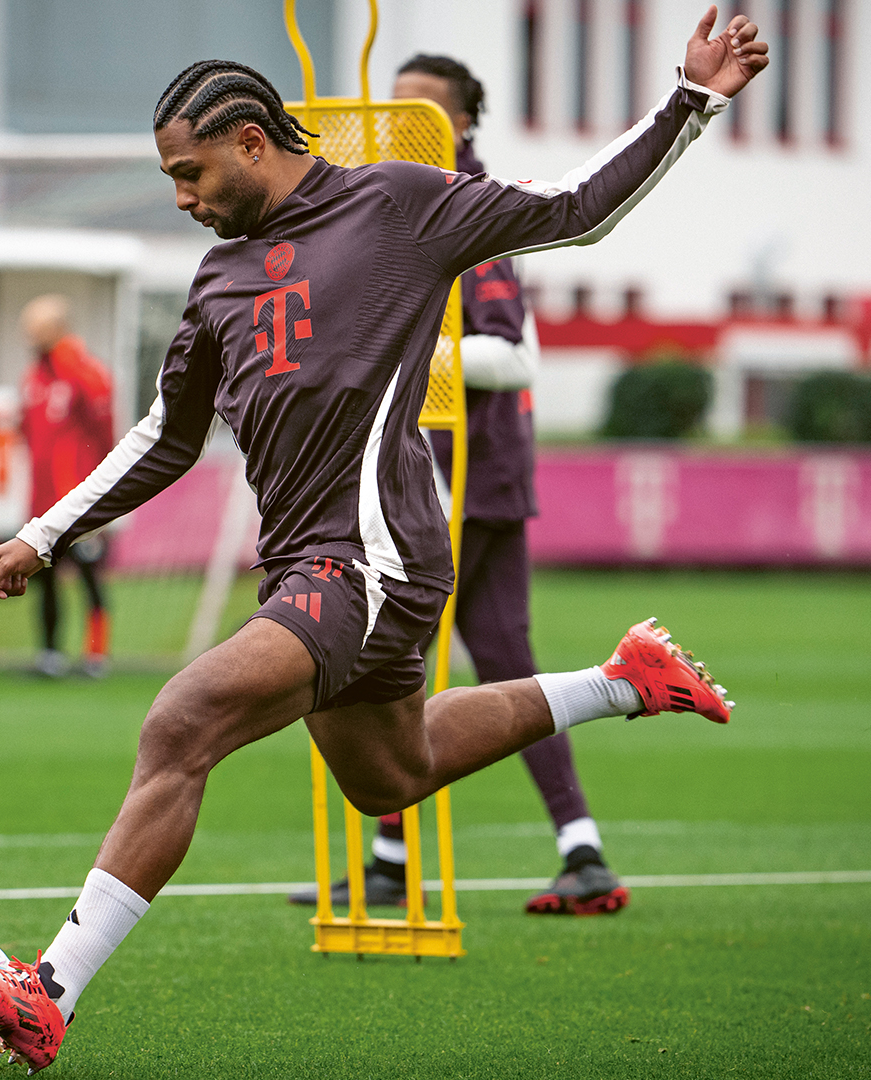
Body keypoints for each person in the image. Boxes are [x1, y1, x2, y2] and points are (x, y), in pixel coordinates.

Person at [0, 9, 765, 1070]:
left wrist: (691, 101)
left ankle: (48, 989)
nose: (183, 199)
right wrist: (44, 533)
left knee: (181, 722)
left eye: (191, 174)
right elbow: (166, 437)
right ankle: (624, 681)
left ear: (252, 143)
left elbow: (575, 213)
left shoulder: (397, 204)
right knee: (391, 775)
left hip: (372, 554)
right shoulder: (217, 283)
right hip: (310, 566)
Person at [290, 54, 628, 917]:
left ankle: (395, 858)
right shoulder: (385, 201)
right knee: (493, 659)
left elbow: (512, 352)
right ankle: (576, 850)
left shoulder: (460, 203)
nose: (401, 120)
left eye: (423, 109)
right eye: (393, 106)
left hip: (465, 475)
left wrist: (386, 359)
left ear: (463, 123)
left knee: (388, 660)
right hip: (444, 473)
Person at [16, 294, 115, 678]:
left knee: (90, 575)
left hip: (79, 499)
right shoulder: (34, 378)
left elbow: (105, 434)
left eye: (35, 328)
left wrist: (100, 492)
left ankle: (96, 656)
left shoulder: (85, 373)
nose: (29, 336)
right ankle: (50, 655)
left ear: (56, 328)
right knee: (44, 578)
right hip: (42, 500)